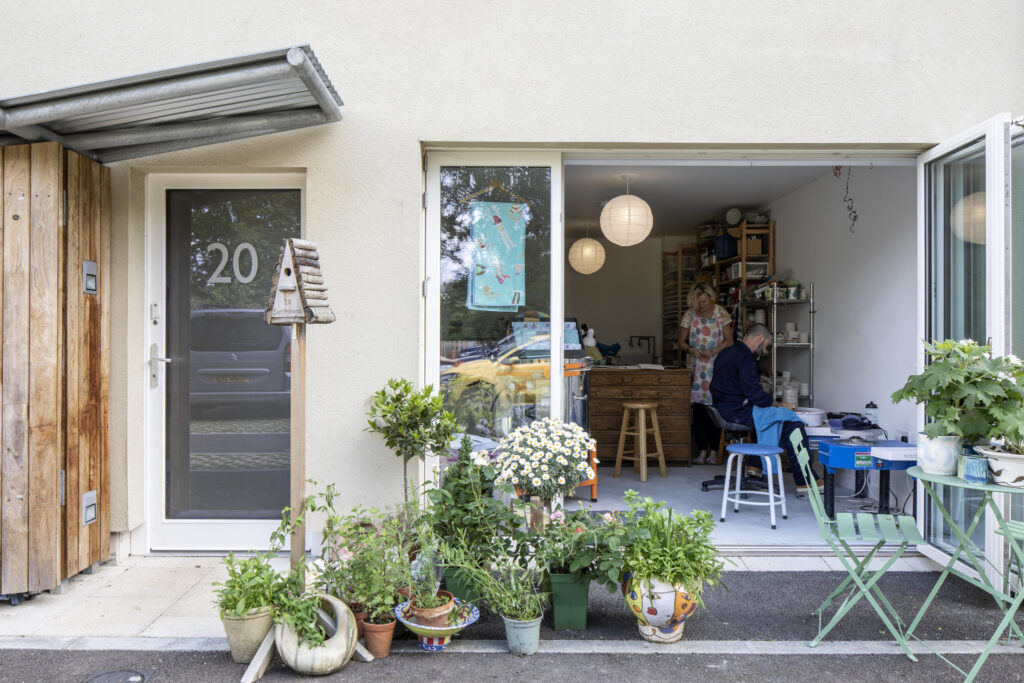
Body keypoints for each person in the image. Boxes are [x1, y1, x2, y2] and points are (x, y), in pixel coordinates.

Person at [709, 323, 822, 492]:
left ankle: (755, 467)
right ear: (760, 339)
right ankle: (805, 480)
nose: (766, 349)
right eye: (767, 345)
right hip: (735, 412)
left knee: (765, 417)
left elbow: (738, 386)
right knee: (791, 424)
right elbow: (756, 397)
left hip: (722, 409)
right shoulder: (746, 358)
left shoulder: (727, 352)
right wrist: (781, 404)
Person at [678, 282, 734, 465]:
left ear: (710, 297)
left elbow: (729, 340)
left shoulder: (720, 312)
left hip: (716, 367)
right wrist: (692, 351)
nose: (702, 305)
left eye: (704, 301)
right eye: (698, 303)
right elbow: (681, 341)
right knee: (700, 410)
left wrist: (714, 350)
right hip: (696, 368)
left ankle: (715, 450)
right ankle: (702, 450)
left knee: (715, 409)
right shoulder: (689, 314)